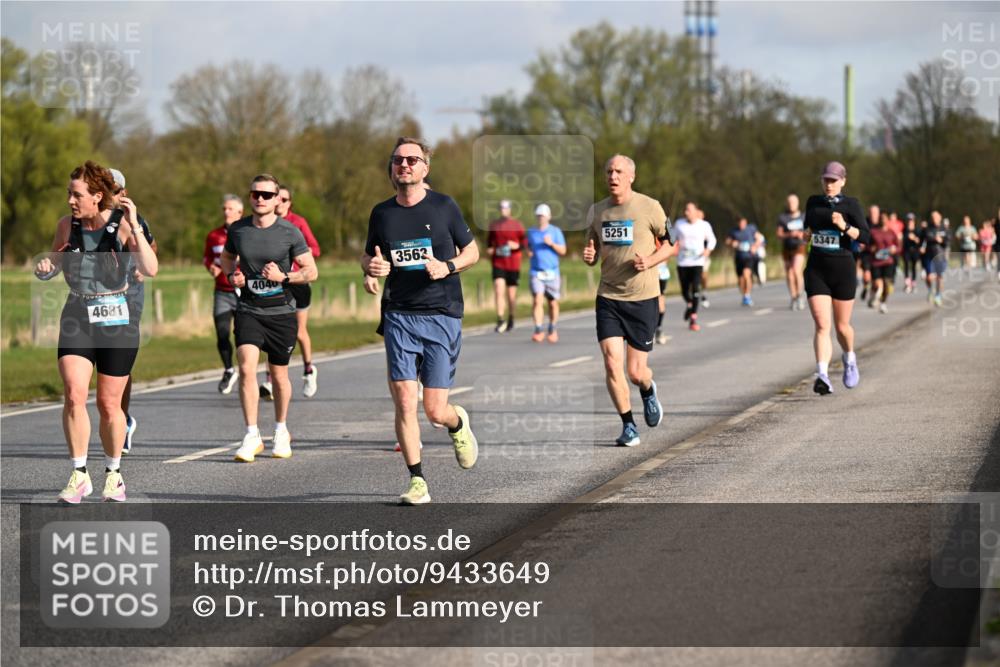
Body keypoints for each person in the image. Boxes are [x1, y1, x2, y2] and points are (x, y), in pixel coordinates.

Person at [362, 137, 480, 505]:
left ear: (425, 167)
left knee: (434, 409)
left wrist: (447, 266)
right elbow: (368, 259)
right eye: (398, 160)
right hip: (399, 312)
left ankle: (456, 422)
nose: (405, 165)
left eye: (413, 159)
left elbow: (473, 252)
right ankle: (417, 481)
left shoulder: (444, 206)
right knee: (403, 399)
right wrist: (372, 270)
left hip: (441, 312)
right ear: (392, 168)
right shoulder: (382, 213)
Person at [34, 161, 158, 503]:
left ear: (96, 196)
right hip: (77, 313)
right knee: (74, 394)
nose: (71, 200)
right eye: (69, 194)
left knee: (107, 404)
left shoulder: (121, 226)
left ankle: (113, 473)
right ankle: (78, 474)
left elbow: (150, 267)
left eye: (77, 195)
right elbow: (56, 262)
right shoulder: (66, 226)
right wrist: (46, 267)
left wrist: (135, 228)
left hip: (117, 317)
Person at [219, 174, 318, 462]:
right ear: (250, 197)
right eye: (255, 194)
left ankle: (281, 429)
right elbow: (227, 259)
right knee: (247, 367)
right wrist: (232, 275)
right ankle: (251, 435)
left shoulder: (290, 232)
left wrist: (283, 276)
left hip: (282, 312)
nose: (260, 199)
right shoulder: (238, 230)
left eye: (266, 194)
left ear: (277, 200)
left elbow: (311, 271)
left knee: (278, 375)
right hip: (249, 309)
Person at [582, 154, 672, 447]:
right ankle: (628, 425)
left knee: (635, 372)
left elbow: (671, 246)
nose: (613, 176)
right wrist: (590, 256)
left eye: (619, 171)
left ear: (631, 176)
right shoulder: (597, 211)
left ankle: (647, 389)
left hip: (642, 297)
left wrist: (651, 260)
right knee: (611, 363)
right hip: (608, 297)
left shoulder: (650, 207)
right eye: (609, 171)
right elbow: (593, 250)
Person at [803, 161, 869, 395]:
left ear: (843, 181)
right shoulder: (813, 202)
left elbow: (865, 237)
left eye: (833, 180)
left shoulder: (852, 205)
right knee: (822, 325)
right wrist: (806, 235)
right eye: (826, 180)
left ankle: (849, 357)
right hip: (817, 270)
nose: (829, 184)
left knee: (842, 327)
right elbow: (808, 229)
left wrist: (844, 226)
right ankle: (822, 375)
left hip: (843, 270)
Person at [108, 168, 157, 454]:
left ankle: (122, 420)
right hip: (95, 302)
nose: (105, 196)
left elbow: (152, 248)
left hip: (129, 300)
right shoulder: (85, 221)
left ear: (122, 193)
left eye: (112, 191)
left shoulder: (134, 220)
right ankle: (115, 417)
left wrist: (141, 263)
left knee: (119, 365)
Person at [261, 184, 323, 399]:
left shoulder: (298, 223)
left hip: (297, 282)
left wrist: (296, 255)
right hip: (274, 284)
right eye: (277, 198)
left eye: (284, 200)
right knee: (272, 330)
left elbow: (315, 249)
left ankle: (308, 370)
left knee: (298, 331)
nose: (280, 203)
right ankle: (269, 380)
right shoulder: (266, 224)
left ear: (289, 203)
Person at [204, 194, 244, 394]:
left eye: (230, 208)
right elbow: (207, 258)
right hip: (222, 291)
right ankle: (229, 369)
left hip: (245, 293)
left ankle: (246, 370)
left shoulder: (247, 232)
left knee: (243, 335)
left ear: (240, 212)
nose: (226, 212)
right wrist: (211, 267)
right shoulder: (214, 235)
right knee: (221, 333)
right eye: (224, 209)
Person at [526, 203, 567, 342]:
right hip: (536, 272)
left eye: (543, 216)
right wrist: (529, 251)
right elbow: (528, 246)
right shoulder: (531, 232)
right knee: (537, 299)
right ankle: (538, 329)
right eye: (539, 216)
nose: (541, 218)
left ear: (548, 217)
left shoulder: (555, 232)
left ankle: (552, 327)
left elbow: (563, 251)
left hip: (552, 272)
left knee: (552, 303)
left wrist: (551, 244)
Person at [673, 202, 717, 332]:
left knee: (696, 289)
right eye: (685, 210)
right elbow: (672, 239)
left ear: (696, 211)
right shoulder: (679, 224)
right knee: (685, 291)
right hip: (683, 261)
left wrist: (708, 250)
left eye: (689, 210)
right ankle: (690, 303)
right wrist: (675, 245)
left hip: (697, 261)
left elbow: (712, 240)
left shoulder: (704, 225)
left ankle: (693, 318)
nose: (686, 212)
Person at [487, 200, 526, 333]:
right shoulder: (494, 225)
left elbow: (525, 243)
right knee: (498, 289)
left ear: (510, 209)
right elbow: (489, 243)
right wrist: (490, 250)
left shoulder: (517, 225)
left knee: (511, 295)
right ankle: (500, 319)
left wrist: (517, 246)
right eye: (501, 208)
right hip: (498, 262)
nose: (503, 210)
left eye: (506, 208)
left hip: (513, 264)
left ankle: (511, 317)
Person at [777, 194, 807, 310]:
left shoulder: (804, 217)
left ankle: (800, 295)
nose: (791, 205)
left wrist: (802, 235)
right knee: (789, 274)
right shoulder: (783, 218)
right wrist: (789, 234)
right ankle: (794, 297)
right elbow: (779, 234)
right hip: (787, 247)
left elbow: (809, 233)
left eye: (793, 202)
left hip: (799, 247)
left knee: (795, 270)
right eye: (789, 202)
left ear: (798, 203)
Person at [726, 216, 765, 307]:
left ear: (746, 222)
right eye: (740, 223)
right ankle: (744, 295)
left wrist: (755, 246)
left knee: (746, 274)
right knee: (740, 279)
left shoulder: (751, 229)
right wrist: (732, 243)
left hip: (749, 257)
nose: (741, 225)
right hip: (739, 257)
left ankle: (748, 296)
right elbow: (727, 241)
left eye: (743, 223)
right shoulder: (734, 231)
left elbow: (760, 239)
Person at [868, 214, 898, 313]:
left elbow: (898, 246)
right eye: (881, 219)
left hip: (888, 261)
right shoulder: (873, 232)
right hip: (876, 262)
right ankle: (873, 295)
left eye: (885, 219)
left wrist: (895, 250)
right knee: (877, 284)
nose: (883, 221)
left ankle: (883, 303)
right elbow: (867, 245)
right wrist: (871, 248)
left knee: (886, 284)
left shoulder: (891, 233)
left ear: (888, 220)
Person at [920, 210, 949, 306]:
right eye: (933, 218)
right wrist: (922, 247)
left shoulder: (944, 229)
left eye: (936, 217)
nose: (934, 219)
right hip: (929, 255)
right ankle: (930, 290)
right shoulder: (927, 228)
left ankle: (938, 295)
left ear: (940, 218)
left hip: (940, 256)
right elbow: (922, 240)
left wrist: (941, 240)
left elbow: (948, 242)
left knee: (939, 277)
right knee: (928, 277)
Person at [654, 237, 677, 345]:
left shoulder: (662, 229)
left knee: (659, 299)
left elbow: (673, 248)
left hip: (660, 271)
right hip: (643, 270)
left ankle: (658, 329)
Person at [858, 204, 879, 301]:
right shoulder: (864, 222)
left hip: (878, 255)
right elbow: (858, 233)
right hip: (866, 253)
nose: (873, 215)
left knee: (876, 282)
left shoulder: (881, 223)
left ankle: (872, 295)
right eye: (871, 212)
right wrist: (860, 242)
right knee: (866, 276)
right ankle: (866, 286)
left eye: (875, 213)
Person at [902, 214, 922, 293]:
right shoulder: (904, 230)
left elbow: (920, 241)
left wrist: (914, 238)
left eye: (911, 220)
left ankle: (913, 283)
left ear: (914, 220)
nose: (910, 222)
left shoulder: (917, 230)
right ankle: (907, 283)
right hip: (907, 250)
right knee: (906, 265)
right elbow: (902, 239)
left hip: (915, 250)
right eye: (909, 220)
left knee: (913, 266)